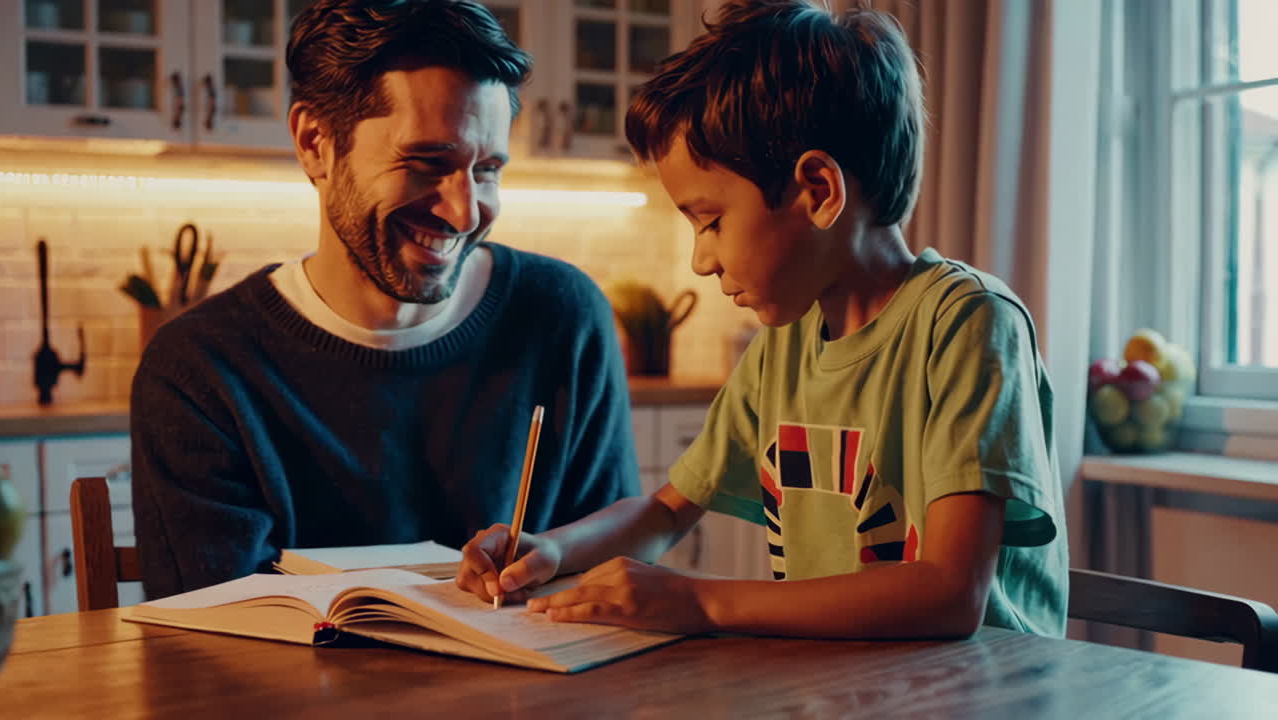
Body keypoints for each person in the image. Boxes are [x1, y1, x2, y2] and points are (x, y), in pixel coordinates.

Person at [456, 0, 1068, 639]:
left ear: (819, 192)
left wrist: (704, 601)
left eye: (711, 221)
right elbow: (666, 513)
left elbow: (950, 593)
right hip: (848, 687)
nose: (699, 260)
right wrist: (553, 549)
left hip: (986, 692)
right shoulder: (785, 343)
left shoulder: (967, 325)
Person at [130, 0, 640, 599]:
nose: (465, 210)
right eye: (428, 163)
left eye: (488, 170)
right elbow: (214, 643)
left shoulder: (561, 315)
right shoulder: (199, 370)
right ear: (316, 143)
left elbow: (611, 579)